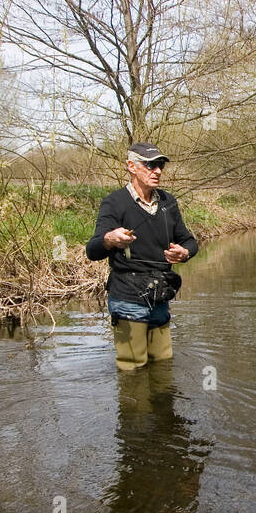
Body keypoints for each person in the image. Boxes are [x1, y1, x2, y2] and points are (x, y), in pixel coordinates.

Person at [85, 142, 198, 370]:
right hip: (127, 297)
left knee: (162, 366)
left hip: (160, 295)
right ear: (131, 166)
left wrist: (184, 253)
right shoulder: (114, 203)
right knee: (133, 370)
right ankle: (135, 407)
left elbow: (190, 241)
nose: (157, 171)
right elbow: (93, 250)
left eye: (160, 166)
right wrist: (110, 239)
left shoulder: (168, 202)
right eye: (150, 165)